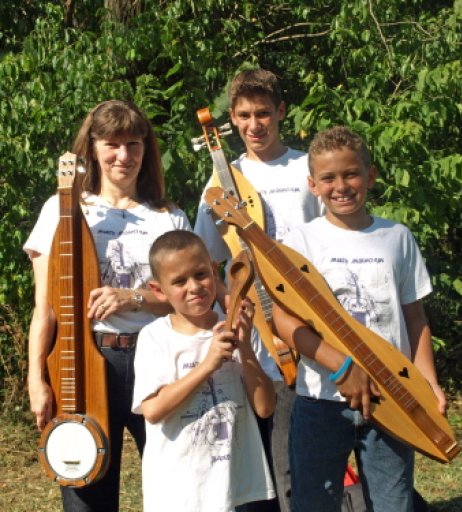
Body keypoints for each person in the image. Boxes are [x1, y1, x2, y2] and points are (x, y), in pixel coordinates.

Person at [24, 99, 192, 511]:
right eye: (112, 144)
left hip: (159, 360)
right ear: (93, 149)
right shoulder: (63, 210)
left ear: (145, 149)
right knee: (86, 490)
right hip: (83, 361)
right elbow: (44, 309)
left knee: (181, 488)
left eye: (133, 144)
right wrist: (35, 379)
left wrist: (131, 296)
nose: (124, 156)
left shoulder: (167, 218)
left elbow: (192, 303)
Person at [272, 125, 447, 512]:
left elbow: (415, 319)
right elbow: (284, 323)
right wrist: (341, 365)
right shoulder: (301, 243)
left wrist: (428, 382)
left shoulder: (397, 237)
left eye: (351, 173)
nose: (341, 186)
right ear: (312, 185)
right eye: (328, 178)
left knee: (394, 503)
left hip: (391, 397)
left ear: (371, 175)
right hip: (320, 400)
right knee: (312, 503)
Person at [194, 68, 322, 512]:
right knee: (261, 454)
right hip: (258, 338)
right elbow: (209, 264)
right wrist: (247, 318)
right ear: (232, 117)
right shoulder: (220, 183)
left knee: (308, 444)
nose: (255, 125)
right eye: (245, 115)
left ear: (281, 112)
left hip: (313, 323)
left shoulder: (309, 167)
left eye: (264, 113)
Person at [132, 230, 276, 511]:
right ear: (158, 290)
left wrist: (244, 348)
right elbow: (152, 410)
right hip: (179, 492)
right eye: (179, 281)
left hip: (237, 487)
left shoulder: (241, 329)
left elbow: (265, 407)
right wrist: (208, 364)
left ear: (214, 270)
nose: (194, 287)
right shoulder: (155, 337)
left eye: (200, 274)